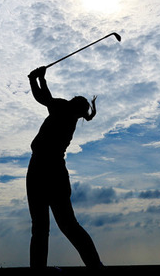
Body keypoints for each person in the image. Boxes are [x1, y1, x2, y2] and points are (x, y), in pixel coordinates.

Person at [26, 65, 103, 269]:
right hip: (52, 171)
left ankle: (40, 271)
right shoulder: (67, 113)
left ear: (74, 106)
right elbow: (47, 99)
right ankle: (95, 266)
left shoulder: (64, 111)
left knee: (43, 227)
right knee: (67, 225)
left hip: (41, 169)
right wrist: (39, 80)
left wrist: (36, 79)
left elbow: (44, 99)